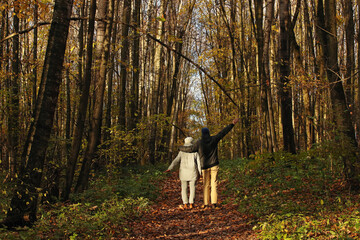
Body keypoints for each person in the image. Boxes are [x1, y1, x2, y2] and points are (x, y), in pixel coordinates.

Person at [179, 118, 239, 209]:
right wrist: (232, 124)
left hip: (205, 166)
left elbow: (190, 149)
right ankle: (214, 203)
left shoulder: (199, 142)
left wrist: (180, 148)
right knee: (214, 183)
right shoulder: (214, 139)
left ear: (202, 134)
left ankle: (206, 204)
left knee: (206, 184)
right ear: (208, 133)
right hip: (214, 164)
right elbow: (223, 133)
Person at [165, 137, 201, 210]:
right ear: (192, 142)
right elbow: (199, 163)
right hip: (192, 172)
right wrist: (200, 172)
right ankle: (191, 203)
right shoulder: (195, 152)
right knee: (192, 188)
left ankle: (185, 203)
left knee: (183, 188)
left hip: (183, 172)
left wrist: (170, 168)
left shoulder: (181, 152)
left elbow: (176, 161)